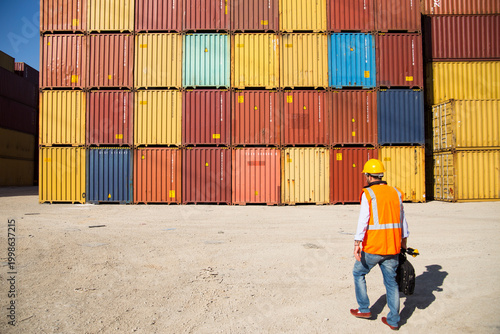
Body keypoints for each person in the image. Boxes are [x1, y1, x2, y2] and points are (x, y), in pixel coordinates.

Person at [350, 159, 409, 330]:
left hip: (374, 247)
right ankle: (393, 320)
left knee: (358, 273)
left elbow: (363, 221)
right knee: (391, 283)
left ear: (368, 176)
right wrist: (404, 242)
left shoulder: (368, 194)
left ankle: (363, 309)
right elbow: (403, 221)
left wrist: (357, 242)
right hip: (392, 247)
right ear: (381, 175)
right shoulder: (396, 192)